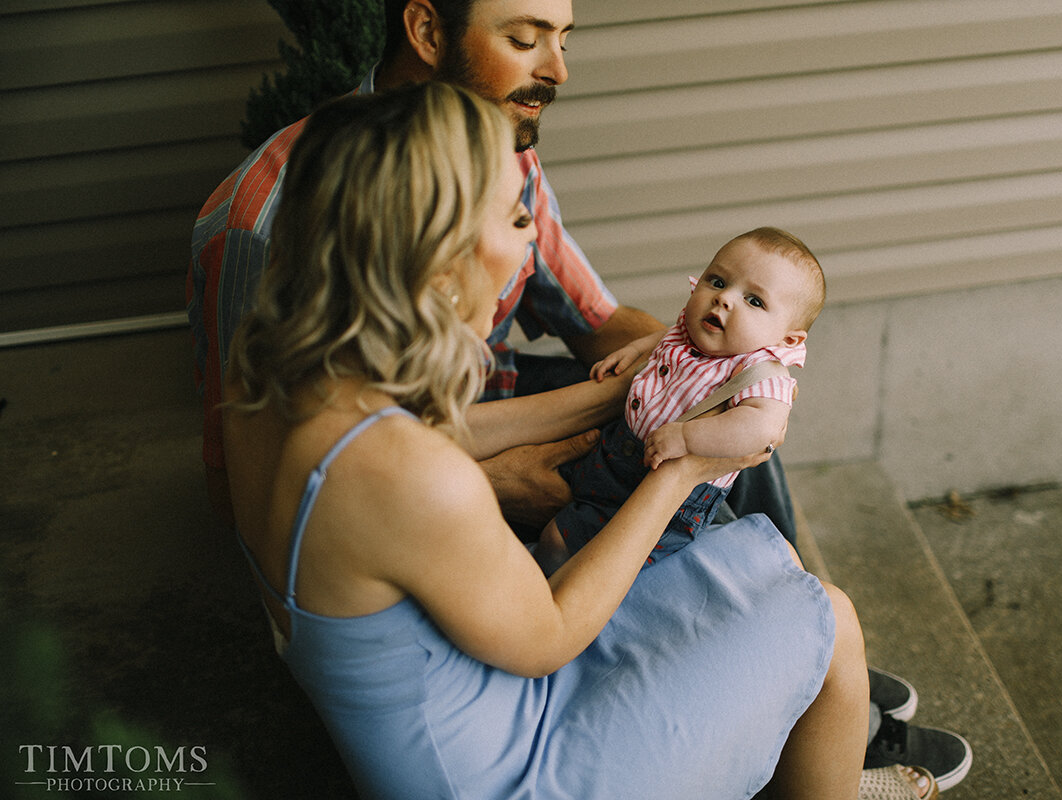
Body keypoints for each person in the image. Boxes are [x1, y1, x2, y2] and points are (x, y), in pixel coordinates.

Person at [192, 0, 969, 788]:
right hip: (511, 765)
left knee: (779, 590)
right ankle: (813, 741)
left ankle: (800, 721)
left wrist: (629, 391)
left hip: (436, 680)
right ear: (443, 254)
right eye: (516, 215)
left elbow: (446, 429)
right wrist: (681, 468)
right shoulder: (417, 482)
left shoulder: (277, 371)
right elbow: (551, 630)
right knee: (826, 616)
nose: (531, 234)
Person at [186, 0, 795, 547]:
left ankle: (798, 617)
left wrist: (727, 366)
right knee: (658, 517)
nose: (558, 71)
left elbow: (595, 320)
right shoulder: (264, 221)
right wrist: (485, 486)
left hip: (485, 398)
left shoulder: (507, 152)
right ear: (426, 31)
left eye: (563, 40)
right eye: (526, 40)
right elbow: (244, 492)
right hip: (378, 478)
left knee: (728, 431)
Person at [537, 227, 823, 572]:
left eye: (754, 300)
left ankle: (565, 588)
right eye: (718, 281)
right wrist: (631, 351)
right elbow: (664, 337)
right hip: (618, 452)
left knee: (566, 542)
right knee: (564, 514)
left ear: (789, 339)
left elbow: (760, 430)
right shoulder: (694, 332)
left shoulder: (761, 373)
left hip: (672, 495)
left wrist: (686, 437)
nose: (725, 298)